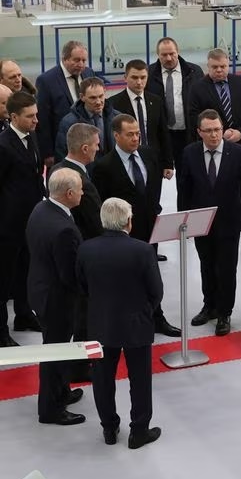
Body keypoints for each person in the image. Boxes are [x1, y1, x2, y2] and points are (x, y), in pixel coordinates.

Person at [177, 110, 241, 336]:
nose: (214, 135)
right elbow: (184, 188)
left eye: (217, 130)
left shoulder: (238, 153)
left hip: (228, 222)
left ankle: (224, 313)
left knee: (226, 269)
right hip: (201, 223)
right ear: (199, 132)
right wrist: (184, 219)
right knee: (206, 266)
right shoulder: (190, 153)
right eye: (209, 131)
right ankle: (209, 306)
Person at [77, 197, 163, 449]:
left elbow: (82, 286)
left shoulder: (86, 249)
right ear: (128, 222)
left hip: (100, 323)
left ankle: (109, 428)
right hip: (136, 323)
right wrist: (145, 311)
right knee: (140, 379)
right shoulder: (143, 250)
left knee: (102, 378)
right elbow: (156, 291)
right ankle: (139, 431)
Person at [89, 114, 181, 338]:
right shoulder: (104, 166)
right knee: (126, 279)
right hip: (123, 234)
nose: (135, 138)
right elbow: (103, 204)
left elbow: (153, 187)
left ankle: (156, 317)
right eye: (130, 134)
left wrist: (155, 209)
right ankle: (126, 322)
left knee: (151, 275)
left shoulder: (150, 154)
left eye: (138, 133)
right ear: (116, 135)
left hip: (151, 228)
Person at [26, 169, 84, 426]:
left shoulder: (41, 209)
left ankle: (62, 391)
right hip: (57, 300)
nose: (83, 193)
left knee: (57, 347)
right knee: (55, 353)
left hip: (40, 289)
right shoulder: (64, 230)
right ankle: (50, 409)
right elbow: (69, 275)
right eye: (80, 189)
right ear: (69, 193)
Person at [189, 48, 241, 237]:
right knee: (217, 188)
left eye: (223, 66)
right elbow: (193, 116)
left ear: (228, 64)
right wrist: (218, 135)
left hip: (240, 145)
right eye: (215, 67)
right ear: (208, 66)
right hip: (213, 149)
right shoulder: (197, 88)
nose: (219, 70)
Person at [0, 91, 46, 347]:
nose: (36, 120)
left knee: (26, 271)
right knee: (4, 277)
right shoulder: (3, 145)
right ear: (13, 117)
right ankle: (1, 330)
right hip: (7, 225)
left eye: (36, 115)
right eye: (30, 116)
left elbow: (36, 174)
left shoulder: (32, 136)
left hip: (31, 220)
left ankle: (24, 315)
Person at [108, 59, 175, 177]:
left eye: (143, 77)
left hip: (153, 160)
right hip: (126, 161)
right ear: (125, 78)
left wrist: (168, 163)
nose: (139, 82)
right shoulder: (113, 103)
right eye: (134, 77)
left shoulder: (156, 101)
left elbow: (163, 133)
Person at [35, 41, 96, 166]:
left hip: (88, 144)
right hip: (62, 146)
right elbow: (43, 119)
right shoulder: (46, 81)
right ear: (64, 59)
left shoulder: (89, 73)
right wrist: (47, 152)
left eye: (84, 60)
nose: (81, 64)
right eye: (76, 60)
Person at [146, 37, 203, 171]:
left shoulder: (194, 71)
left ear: (178, 52)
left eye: (172, 53)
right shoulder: (148, 74)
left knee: (188, 172)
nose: (169, 58)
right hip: (161, 134)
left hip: (188, 132)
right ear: (157, 55)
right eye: (164, 55)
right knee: (156, 171)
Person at [54, 77, 114, 162]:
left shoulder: (116, 118)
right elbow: (62, 155)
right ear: (82, 97)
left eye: (101, 96)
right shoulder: (69, 123)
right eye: (93, 98)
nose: (98, 102)